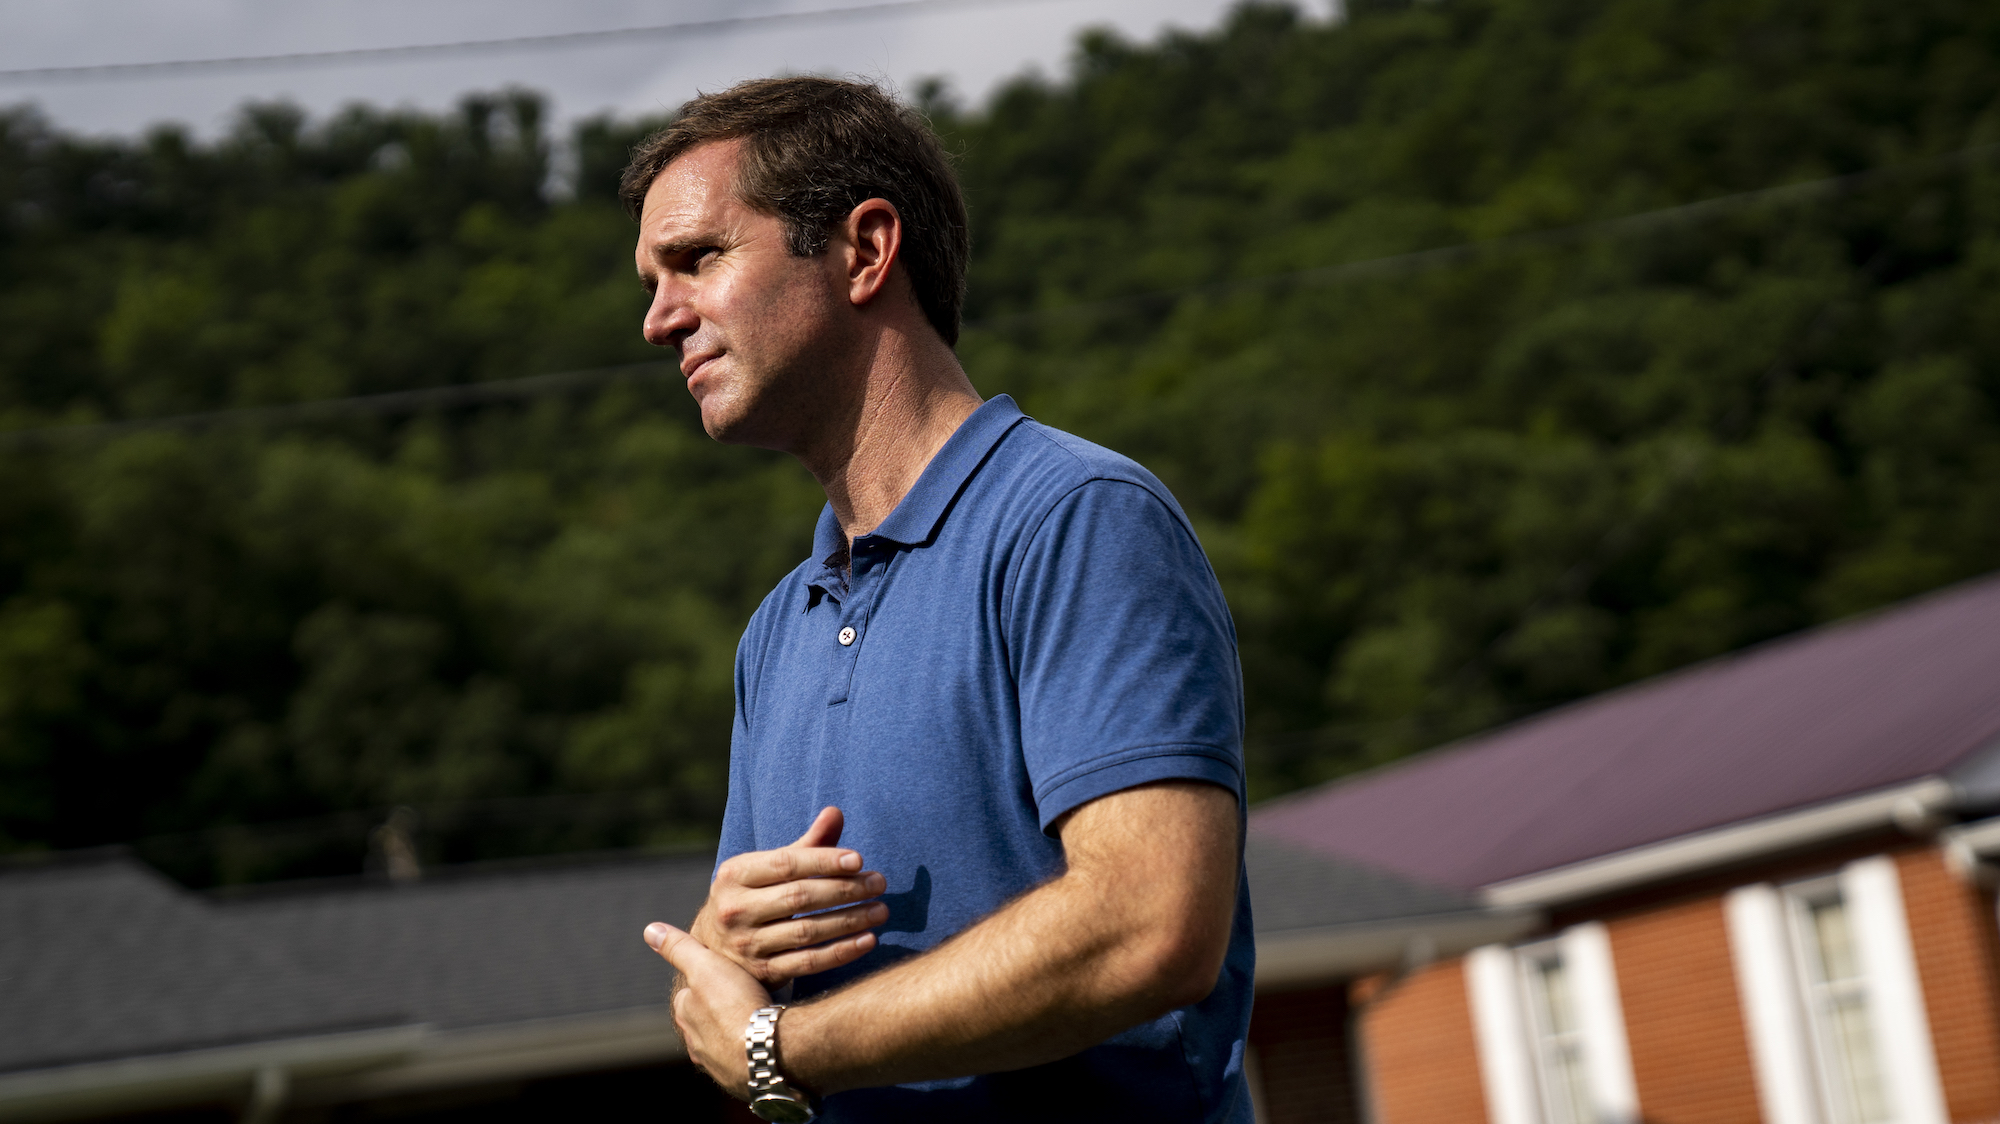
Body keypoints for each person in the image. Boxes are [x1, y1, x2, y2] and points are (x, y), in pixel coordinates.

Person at [627, 76, 1254, 1124]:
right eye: (653, 279)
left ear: (866, 250)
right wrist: (723, 947)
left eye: (698, 258)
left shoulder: (1074, 516)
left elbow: (1151, 922)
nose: (657, 320)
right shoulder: (772, 632)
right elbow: (724, 1015)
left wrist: (786, 1046)